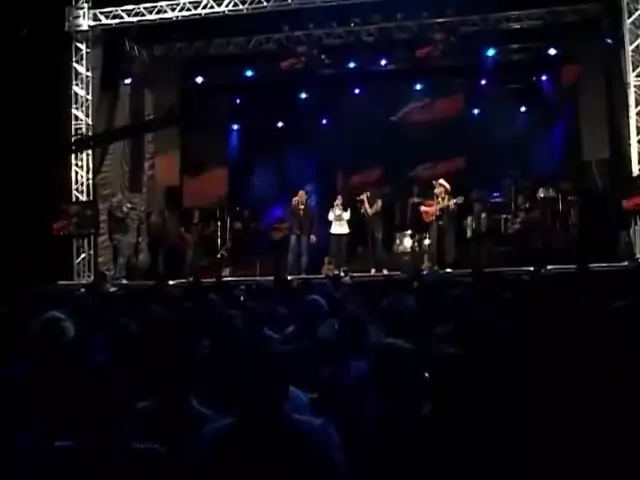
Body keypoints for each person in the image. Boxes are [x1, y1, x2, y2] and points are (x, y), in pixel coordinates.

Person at [422, 178, 457, 270]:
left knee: (446, 244)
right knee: (434, 243)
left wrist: (451, 207)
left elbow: (453, 211)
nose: (436, 189)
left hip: (446, 226)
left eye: (438, 187)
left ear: (443, 189)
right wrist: (429, 210)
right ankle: (434, 263)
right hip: (436, 226)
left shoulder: (449, 199)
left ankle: (447, 264)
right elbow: (423, 208)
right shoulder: (434, 200)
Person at [359, 190, 387, 274]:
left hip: (377, 225)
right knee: (370, 246)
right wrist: (362, 206)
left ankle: (383, 267)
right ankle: (373, 266)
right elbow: (365, 214)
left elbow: (370, 212)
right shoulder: (365, 201)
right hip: (369, 225)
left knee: (379, 246)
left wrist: (365, 201)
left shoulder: (378, 200)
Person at [288, 190, 316, 275]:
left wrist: (313, 233)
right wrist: (293, 205)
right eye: (299, 195)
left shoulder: (309, 207)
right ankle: (291, 272)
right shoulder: (294, 206)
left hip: (305, 232)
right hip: (294, 231)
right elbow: (289, 216)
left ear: (306, 197)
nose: (301, 197)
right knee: (292, 252)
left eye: (303, 195)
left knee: (304, 253)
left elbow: (313, 221)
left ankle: (303, 272)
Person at [108, 194, 132, 281]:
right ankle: (119, 275)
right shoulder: (113, 209)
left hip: (119, 234)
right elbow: (121, 216)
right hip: (119, 235)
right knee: (122, 255)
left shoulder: (114, 209)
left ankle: (118, 274)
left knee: (120, 255)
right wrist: (126, 210)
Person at [328, 194, 351, 273]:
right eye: (337, 199)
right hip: (334, 232)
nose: (339, 201)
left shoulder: (346, 209)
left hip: (343, 232)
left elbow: (347, 217)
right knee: (334, 251)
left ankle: (343, 267)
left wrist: (341, 210)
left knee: (343, 251)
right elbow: (330, 218)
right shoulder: (332, 209)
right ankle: (336, 268)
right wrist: (335, 208)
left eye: (340, 199)